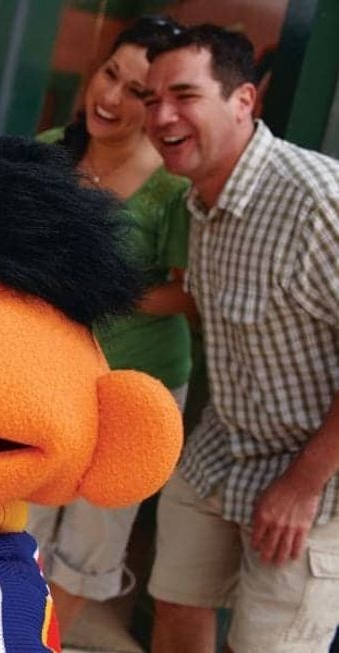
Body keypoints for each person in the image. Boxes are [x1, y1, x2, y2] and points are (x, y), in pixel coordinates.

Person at [143, 24, 339, 653]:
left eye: (183, 95)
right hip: (222, 448)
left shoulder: (317, 201)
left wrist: (304, 484)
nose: (161, 116)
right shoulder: (201, 201)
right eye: (152, 100)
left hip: (316, 477)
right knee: (174, 605)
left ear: (244, 101)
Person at [27, 14, 195, 634]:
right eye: (110, 74)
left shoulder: (174, 187)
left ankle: (42, 644)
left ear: (160, 109)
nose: (110, 98)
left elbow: (191, 295)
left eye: (137, 92)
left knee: (93, 537)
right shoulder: (47, 152)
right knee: (23, 519)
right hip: (48, 375)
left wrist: (104, 289)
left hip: (137, 385)